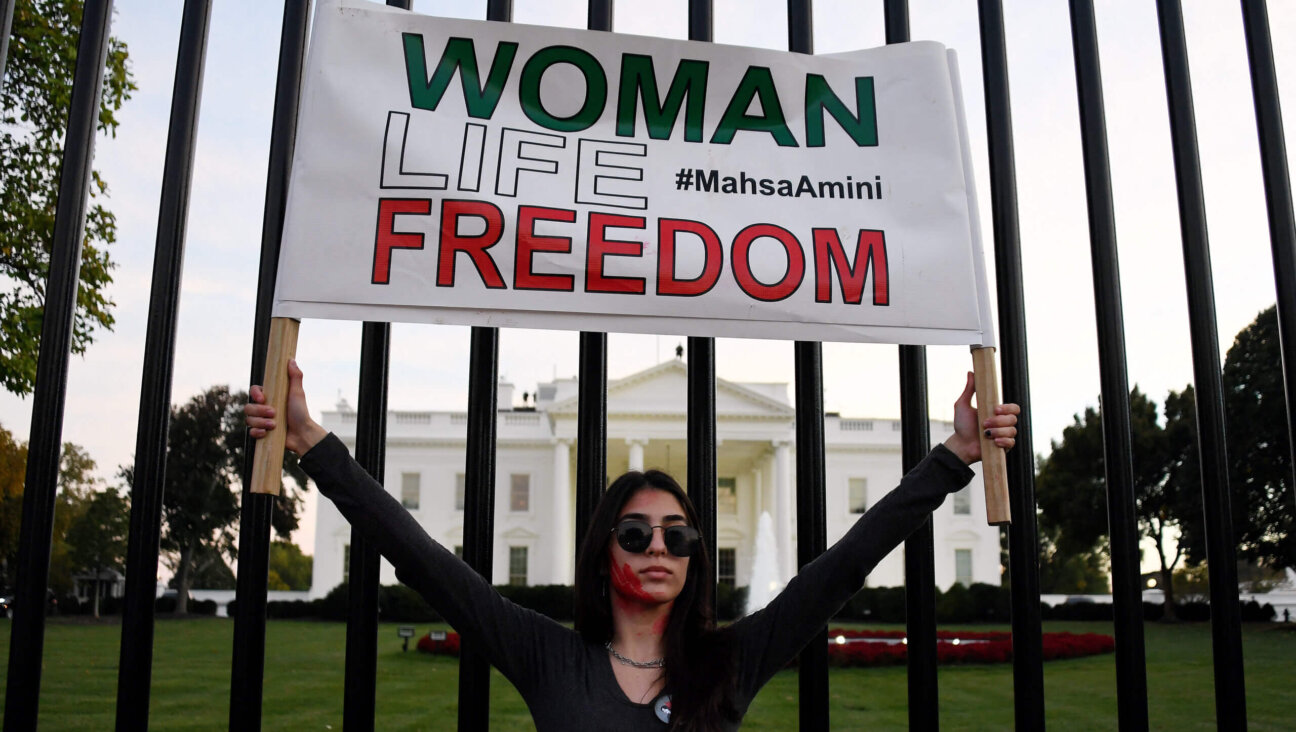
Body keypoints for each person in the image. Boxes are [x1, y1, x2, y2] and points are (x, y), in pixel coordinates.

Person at [246, 360, 1018, 731]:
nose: (661, 546)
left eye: (680, 535)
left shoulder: (731, 660)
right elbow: (423, 559)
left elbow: (844, 565)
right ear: (604, 550)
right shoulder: (548, 654)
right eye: (636, 531)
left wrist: (950, 458)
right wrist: (313, 442)